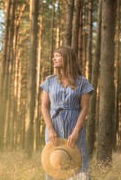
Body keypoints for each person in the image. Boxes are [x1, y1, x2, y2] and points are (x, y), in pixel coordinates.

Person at [40, 45, 94, 180]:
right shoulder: (49, 81)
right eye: (54, 56)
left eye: (57, 56)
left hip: (74, 128)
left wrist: (76, 131)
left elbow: (84, 109)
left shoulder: (82, 82)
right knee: (55, 162)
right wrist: (50, 128)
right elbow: (44, 106)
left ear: (67, 58)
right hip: (54, 128)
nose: (53, 59)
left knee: (78, 164)